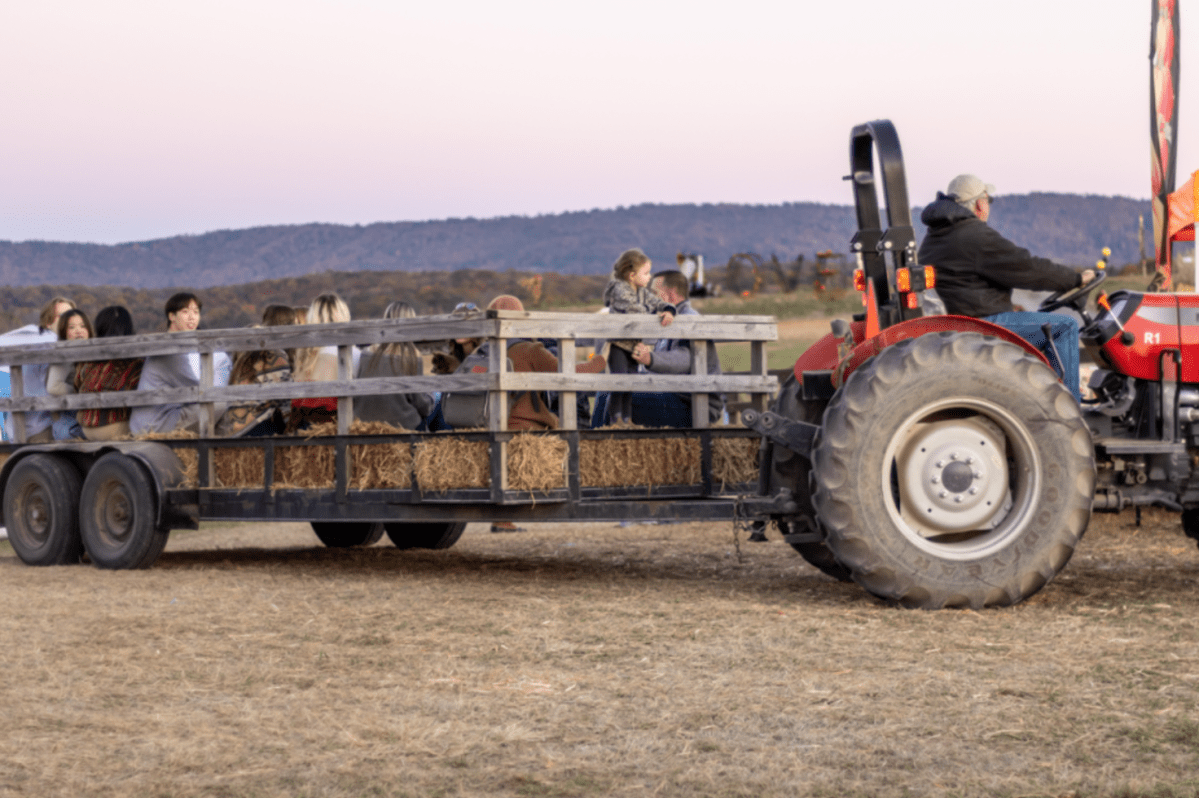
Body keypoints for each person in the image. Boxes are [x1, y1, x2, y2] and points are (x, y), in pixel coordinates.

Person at [917, 174, 1095, 400]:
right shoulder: (974, 235)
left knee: (1035, 318)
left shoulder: (935, 236)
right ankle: (1071, 410)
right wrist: (1076, 280)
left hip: (961, 319)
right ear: (980, 204)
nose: (988, 207)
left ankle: (1042, 396)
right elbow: (1027, 268)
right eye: (988, 201)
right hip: (981, 323)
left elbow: (969, 280)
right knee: (1065, 327)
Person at [627, 270, 725, 427]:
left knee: (616, 398)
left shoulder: (688, 320)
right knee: (609, 393)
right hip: (673, 396)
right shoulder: (670, 321)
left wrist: (650, 359)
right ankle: (592, 443)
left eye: (654, 293)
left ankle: (595, 445)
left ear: (670, 294)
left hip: (693, 404)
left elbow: (685, 360)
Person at [130, 292, 229, 436]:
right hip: (155, 424)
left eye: (196, 312)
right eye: (185, 312)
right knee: (219, 403)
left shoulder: (174, 346)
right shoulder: (170, 351)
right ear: (172, 317)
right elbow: (197, 389)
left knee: (217, 401)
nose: (192, 317)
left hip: (158, 417)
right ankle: (222, 446)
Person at [601, 248, 676, 423]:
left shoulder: (641, 291)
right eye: (646, 273)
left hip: (634, 345)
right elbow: (633, 308)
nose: (649, 277)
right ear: (631, 275)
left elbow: (655, 302)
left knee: (631, 384)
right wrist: (652, 314)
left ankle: (627, 420)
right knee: (620, 383)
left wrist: (667, 310)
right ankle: (615, 420)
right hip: (619, 344)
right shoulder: (620, 289)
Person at [0, 297, 75, 442]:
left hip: (23, 426)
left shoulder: (35, 336)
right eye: (64, 317)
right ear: (48, 321)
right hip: (39, 426)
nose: (70, 321)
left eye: (72, 316)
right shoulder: (49, 341)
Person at [355, 301, 433, 430]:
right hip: (400, 424)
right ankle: (433, 447)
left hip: (363, 424)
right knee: (436, 400)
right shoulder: (412, 356)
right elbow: (422, 404)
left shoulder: (366, 353)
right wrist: (431, 396)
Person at [288, 293, 359, 432]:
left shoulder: (304, 354)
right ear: (343, 315)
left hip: (304, 426)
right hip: (338, 425)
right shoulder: (353, 353)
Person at [75, 306, 143, 441]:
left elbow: (77, 385)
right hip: (114, 426)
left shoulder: (88, 361)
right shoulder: (134, 363)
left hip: (86, 427)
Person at [46, 309, 94, 440]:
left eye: (83, 326)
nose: (78, 330)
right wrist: (80, 391)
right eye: (72, 327)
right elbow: (53, 387)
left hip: (86, 412)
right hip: (68, 416)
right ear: (63, 332)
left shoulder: (90, 352)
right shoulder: (64, 354)